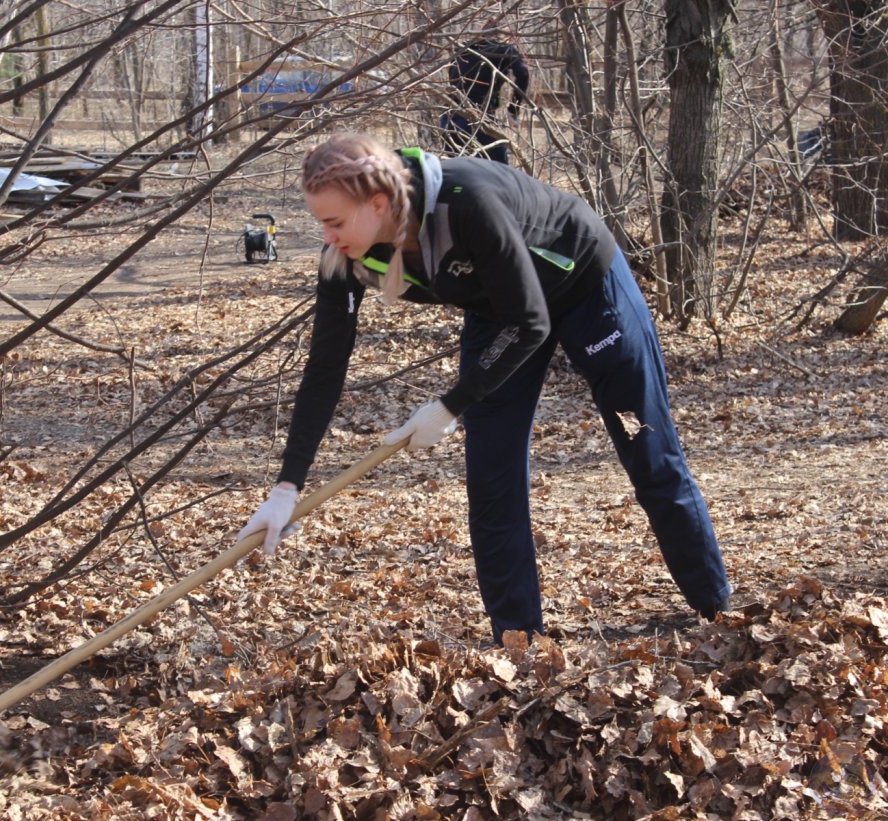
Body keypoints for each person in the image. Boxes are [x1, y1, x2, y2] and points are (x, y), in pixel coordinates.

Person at [237, 134, 731, 644]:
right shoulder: (345, 257)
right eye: (321, 221)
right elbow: (325, 367)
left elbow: (533, 321)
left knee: (647, 448)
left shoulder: (467, 202)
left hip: (584, 284)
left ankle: (715, 607)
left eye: (335, 221)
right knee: (492, 480)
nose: (327, 235)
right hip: (501, 313)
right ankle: (518, 641)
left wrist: (452, 405)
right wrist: (287, 486)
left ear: (378, 203)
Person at [440, 37, 530, 165]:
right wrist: (513, 110)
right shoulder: (504, 49)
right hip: (479, 119)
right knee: (499, 174)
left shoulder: (461, 49)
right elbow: (523, 73)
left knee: (459, 176)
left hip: (449, 120)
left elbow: (453, 82)